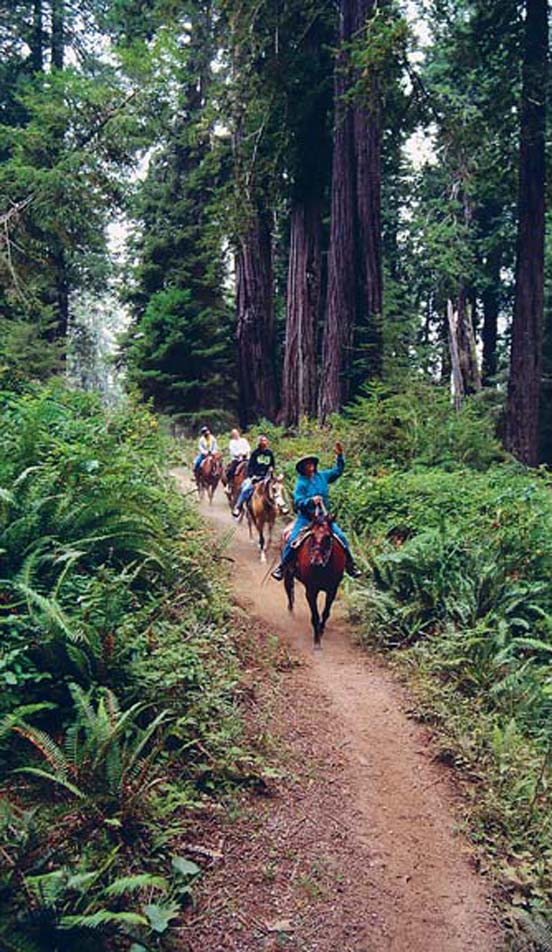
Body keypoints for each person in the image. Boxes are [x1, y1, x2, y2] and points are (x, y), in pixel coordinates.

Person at [271, 442, 361, 580]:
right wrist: (311, 501)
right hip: (307, 518)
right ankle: (282, 567)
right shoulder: (301, 483)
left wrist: (340, 456)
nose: (310, 465)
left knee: (341, 537)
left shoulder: (322, 476)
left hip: (324, 518)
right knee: (293, 540)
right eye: (307, 464)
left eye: (312, 462)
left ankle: (351, 565)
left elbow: (338, 471)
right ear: (303, 467)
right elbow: (298, 502)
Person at [232, 434, 275, 517]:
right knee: (245, 489)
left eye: (265, 441)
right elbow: (250, 466)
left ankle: (282, 506)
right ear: (259, 443)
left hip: (267, 477)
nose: (264, 442)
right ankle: (238, 507)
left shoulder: (269, 453)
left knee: (278, 489)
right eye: (262, 441)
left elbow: (272, 464)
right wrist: (252, 477)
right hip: (256, 477)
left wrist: (271, 468)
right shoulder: (255, 453)